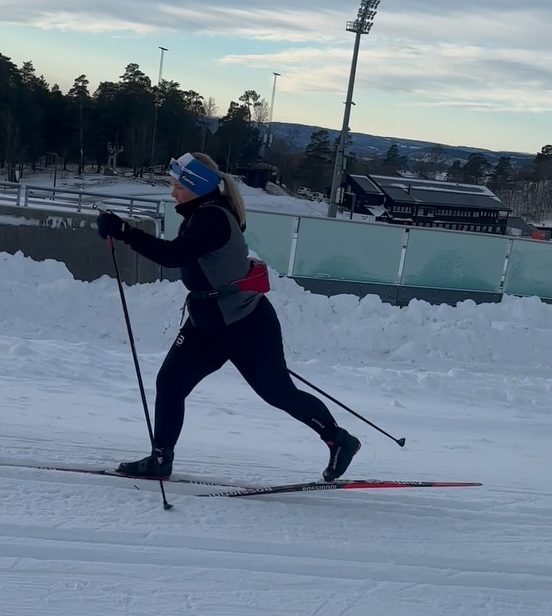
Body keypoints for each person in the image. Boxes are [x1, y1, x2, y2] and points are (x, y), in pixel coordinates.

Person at [96, 152, 360, 481]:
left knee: (278, 392)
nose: (172, 191)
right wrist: (124, 231)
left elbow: (173, 255)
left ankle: (340, 441)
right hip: (208, 324)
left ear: (195, 186)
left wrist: (123, 230)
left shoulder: (212, 218)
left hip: (245, 325)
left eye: (176, 185)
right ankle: (160, 459)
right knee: (170, 382)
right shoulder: (198, 213)